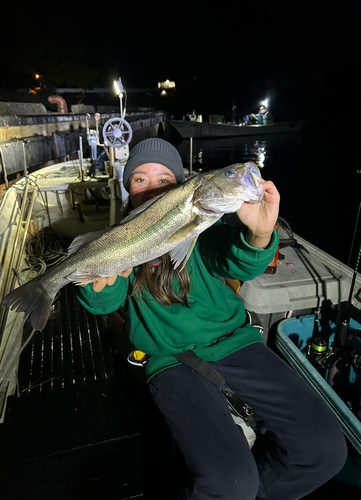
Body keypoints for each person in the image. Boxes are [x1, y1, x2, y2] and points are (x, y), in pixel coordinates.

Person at [76, 138, 347, 499]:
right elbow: (102, 303)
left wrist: (261, 232)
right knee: (229, 482)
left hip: (235, 342)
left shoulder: (206, 227)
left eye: (163, 178)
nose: (151, 186)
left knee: (326, 449)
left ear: (181, 185)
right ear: (128, 190)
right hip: (169, 359)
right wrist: (96, 283)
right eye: (139, 179)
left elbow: (239, 261)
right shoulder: (123, 236)